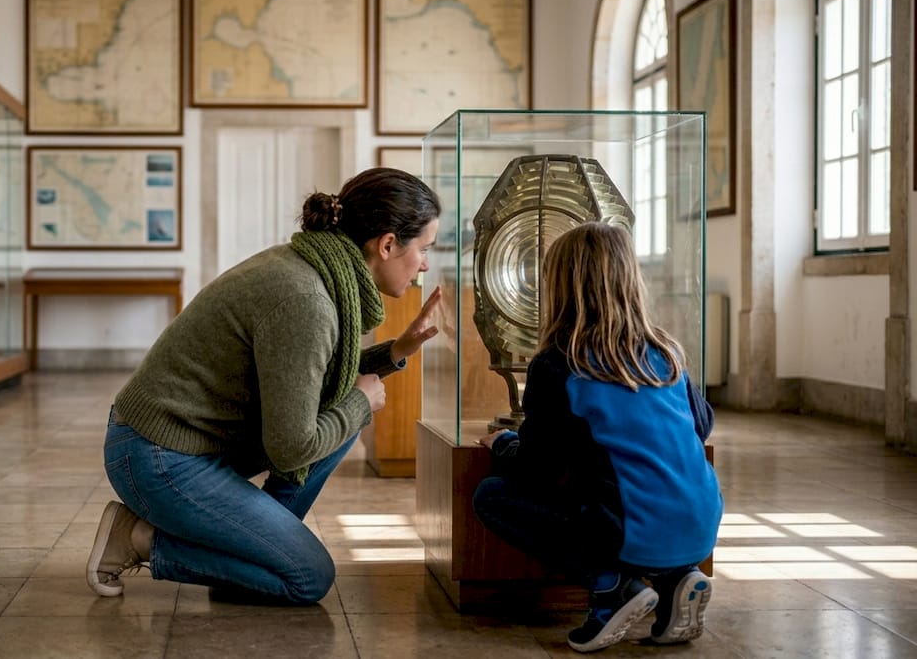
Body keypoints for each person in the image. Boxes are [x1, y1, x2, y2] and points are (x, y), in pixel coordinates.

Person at [87, 166, 443, 605]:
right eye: (424, 249)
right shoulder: (307, 299)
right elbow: (291, 446)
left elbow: (307, 375)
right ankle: (137, 539)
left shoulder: (315, 270)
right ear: (388, 244)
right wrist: (357, 406)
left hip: (188, 442)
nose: (425, 263)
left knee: (342, 416)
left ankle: (252, 556)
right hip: (157, 456)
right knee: (307, 578)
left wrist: (394, 352)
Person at [472, 221, 723, 653]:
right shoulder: (665, 352)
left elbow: (537, 469)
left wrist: (505, 444)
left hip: (627, 531)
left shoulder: (558, 363)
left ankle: (612, 588)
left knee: (492, 495)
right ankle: (677, 578)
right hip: (702, 523)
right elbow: (702, 424)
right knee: (622, 494)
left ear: (558, 287)